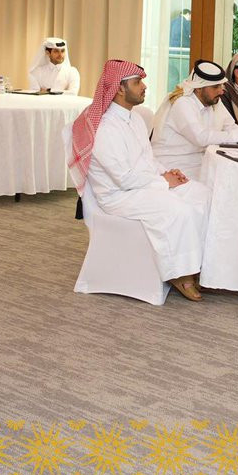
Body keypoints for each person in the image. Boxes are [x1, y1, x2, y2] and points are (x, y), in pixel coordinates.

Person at [69, 60, 211, 302]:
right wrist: (164, 182)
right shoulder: (103, 127)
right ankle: (179, 272)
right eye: (137, 82)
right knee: (178, 210)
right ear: (119, 88)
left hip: (143, 185)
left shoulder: (134, 119)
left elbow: (148, 159)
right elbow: (122, 177)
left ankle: (196, 264)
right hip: (118, 196)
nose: (144, 86)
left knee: (201, 194)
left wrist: (168, 173)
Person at [151, 60, 238, 179]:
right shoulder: (182, 103)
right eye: (215, 87)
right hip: (175, 168)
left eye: (221, 85)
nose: (221, 91)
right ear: (199, 88)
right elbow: (201, 138)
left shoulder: (214, 101)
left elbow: (231, 127)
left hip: (203, 163)